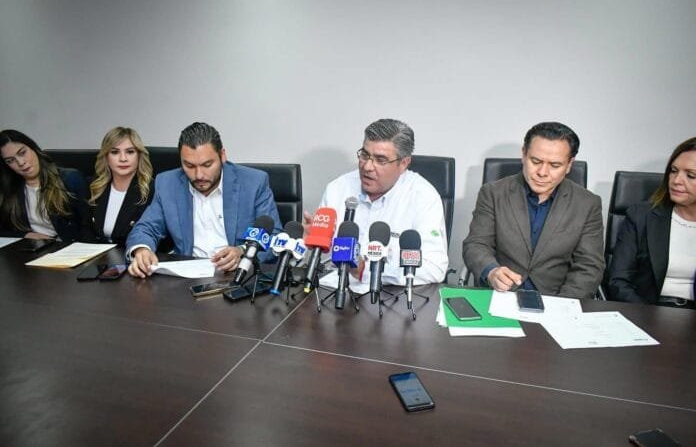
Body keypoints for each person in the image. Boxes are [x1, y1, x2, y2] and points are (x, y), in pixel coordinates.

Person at [462, 121, 604, 299]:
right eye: (535, 161)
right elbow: (476, 244)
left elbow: (589, 266)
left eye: (555, 165)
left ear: (569, 164)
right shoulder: (493, 193)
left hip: (556, 299)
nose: (542, 172)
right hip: (500, 296)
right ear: (524, 154)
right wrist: (491, 271)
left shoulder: (588, 204)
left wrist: (562, 305)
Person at [126, 122, 281, 278]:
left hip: (238, 276)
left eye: (207, 165)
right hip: (186, 277)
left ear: (222, 155)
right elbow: (146, 227)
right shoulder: (167, 183)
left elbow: (274, 237)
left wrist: (242, 252)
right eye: (189, 165)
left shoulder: (254, 182)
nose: (199, 175)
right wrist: (141, 250)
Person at [304, 118, 449, 286]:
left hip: (391, 295)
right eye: (365, 155)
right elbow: (318, 264)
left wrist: (366, 270)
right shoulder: (338, 188)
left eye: (380, 160)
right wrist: (309, 246)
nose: (367, 167)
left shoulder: (423, 197)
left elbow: (434, 267)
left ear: (404, 163)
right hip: (331, 289)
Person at [608, 138, 696, 308]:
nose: (676, 180)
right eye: (673, 171)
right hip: (648, 310)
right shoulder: (641, 216)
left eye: (691, 175)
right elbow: (618, 281)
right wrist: (647, 315)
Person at [0, 129, 94, 242]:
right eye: (10, 160)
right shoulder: (8, 189)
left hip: (68, 247)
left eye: (22, 153)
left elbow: (88, 228)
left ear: (33, 148)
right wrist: (24, 235)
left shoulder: (70, 179)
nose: (21, 162)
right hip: (32, 248)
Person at [89, 127, 154, 246]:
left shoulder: (153, 190)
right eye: (115, 152)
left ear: (139, 155)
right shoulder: (94, 187)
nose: (123, 159)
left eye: (130, 152)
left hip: (132, 254)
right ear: (106, 157)